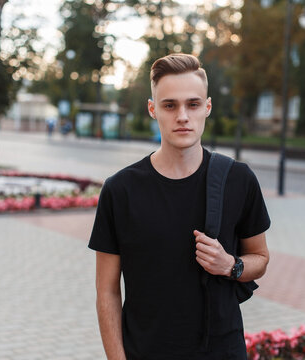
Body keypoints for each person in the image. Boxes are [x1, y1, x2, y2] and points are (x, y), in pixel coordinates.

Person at [88, 53, 271, 360]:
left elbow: (260, 258)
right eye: (169, 105)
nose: (182, 116)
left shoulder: (237, 179)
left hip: (221, 351)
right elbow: (107, 290)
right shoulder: (121, 190)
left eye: (193, 104)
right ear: (152, 109)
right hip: (145, 351)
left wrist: (231, 265)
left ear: (207, 107)